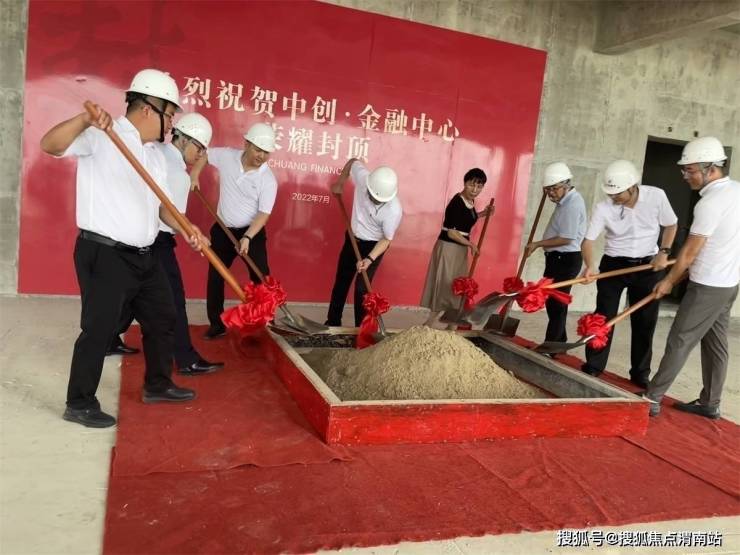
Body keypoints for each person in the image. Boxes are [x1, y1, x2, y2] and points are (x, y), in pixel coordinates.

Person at [40, 68, 209, 428]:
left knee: (163, 317)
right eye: (169, 114)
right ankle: (79, 402)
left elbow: (162, 206)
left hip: (145, 255)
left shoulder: (154, 155)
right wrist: (84, 120)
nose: (171, 123)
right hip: (105, 254)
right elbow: (50, 145)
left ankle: (157, 385)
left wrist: (187, 227)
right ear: (148, 108)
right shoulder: (103, 135)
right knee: (100, 329)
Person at [644, 137, 739, 418]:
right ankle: (710, 402)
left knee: (680, 339)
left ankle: (651, 398)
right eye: (684, 170)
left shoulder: (709, 203)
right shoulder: (736, 190)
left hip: (708, 286)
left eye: (690, 170)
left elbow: (689, 251)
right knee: (715, 344)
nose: (685, 176)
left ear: (711, 168)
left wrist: (668, 281)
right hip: (728, 283)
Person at [580, 159, 677, 388]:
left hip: (648, 266)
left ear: (633, 186)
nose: (614, 197)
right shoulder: (603, 207)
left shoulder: (656, 196)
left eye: (618, 193)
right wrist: (590, 266)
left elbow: (671, 225)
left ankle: (640, 373)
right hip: (614, 265)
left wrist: (664, 252)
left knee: (645, 321)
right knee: (604, 317)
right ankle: (594, 365)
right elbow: (588, 241)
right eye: (610, 193)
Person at [191, 123, 278, 339]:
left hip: (252, 232)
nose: (261, 156)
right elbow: (205, 155)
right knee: (216, 275)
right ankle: (217, 324)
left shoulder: (268, 179)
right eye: (258, 149)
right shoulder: (227, 156)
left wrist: (247, 237)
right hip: (223, 230)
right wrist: (194, 175)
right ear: (247, 144)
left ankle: (266, 321)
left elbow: (263, 214)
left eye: (266, 152)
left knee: (260, 277)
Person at [153, 113, 224, 375]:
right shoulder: (176, 174)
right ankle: (185, 359)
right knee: (174, 301)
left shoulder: (157, 154)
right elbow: (171, 216)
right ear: (182, 139)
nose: (201, 154)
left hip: (142, 239)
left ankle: (110, 338)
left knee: (133, 298)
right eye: (199, 147)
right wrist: (191, 232)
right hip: (157, 242)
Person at [326, 159, 403, 327]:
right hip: (352, 238)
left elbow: (386, 239)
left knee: (361, 289)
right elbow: (353, 161)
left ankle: (360, 330)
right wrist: (340, 183)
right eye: (372, 195)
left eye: (378, 199)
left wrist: (369, 259)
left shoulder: (394, 211)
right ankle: (332, 322)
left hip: (373, 246)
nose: (373, 199)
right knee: (342, 281)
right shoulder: (364, 178)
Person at [420, 168, 492, 327]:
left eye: (479, 186)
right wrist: (470, 244)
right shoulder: (456, 202)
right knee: (445, 285)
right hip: (448, 248)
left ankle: (452, 324)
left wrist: (483, 213)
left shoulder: (470, 202)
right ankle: (429, 323)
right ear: (465, 183)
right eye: (471, 185)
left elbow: (466, 219)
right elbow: (452, 233)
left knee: (458, 286)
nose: (475, 190)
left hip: (459, 250)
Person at [524, 162, 587, 342]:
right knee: (554, 302)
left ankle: (550, 345)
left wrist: (537, 244)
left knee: (556, 303)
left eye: (554, 189)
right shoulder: (564, 201)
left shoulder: (572, 205)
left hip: (565, 259)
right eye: (548, 189)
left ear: (566, 184)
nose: (551, 193)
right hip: (557, 258)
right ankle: (559, 341)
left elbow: (566, 238)